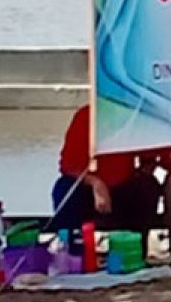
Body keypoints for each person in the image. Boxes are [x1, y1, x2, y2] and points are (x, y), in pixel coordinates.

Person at [51, 106, 159, 252]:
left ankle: (135, 249)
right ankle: (72, 251)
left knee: (148, 186)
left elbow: (150, 156)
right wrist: (95, 182)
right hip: (89, 190)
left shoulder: (131, 115)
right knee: (63, 188)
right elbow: (67, 164)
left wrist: (144, 169)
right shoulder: (85, 116)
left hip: (123, 188)